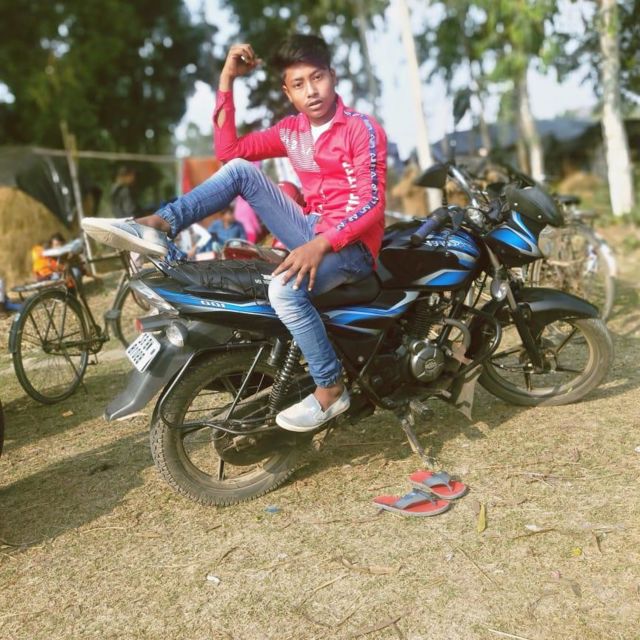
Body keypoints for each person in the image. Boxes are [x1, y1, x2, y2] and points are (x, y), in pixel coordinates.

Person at [81, 34, 387, 432]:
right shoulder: (292, 131)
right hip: (313, 230)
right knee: (240, 170)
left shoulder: (361, 128)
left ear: (332, 76)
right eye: (298, 84)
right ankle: (157, 225)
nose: (311, 91)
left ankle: (330, 387)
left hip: (352, 247)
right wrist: (226, 80)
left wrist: (320, 245)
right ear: (288, 92)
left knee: (283, 291)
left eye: (317, 78)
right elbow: (229, 152)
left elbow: (372, 204)